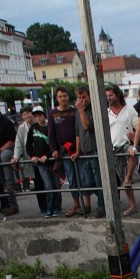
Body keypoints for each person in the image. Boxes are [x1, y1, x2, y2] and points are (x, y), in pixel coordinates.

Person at [48, 86, 83, 218]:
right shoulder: (52, 113)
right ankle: (76, 204)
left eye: (65, 95)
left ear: (68, 97)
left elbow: (79, 130)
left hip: (77, 147)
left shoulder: (74, 111)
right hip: (64, 151)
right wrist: (54, 150)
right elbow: (51, 134)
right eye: (60, 96)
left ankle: (84, 204)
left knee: (82, 177)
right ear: (57, 98)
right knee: (72, 178)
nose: (63, 98)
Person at [105, 84, 138, 216]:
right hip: (113, 148)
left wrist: (134, 135)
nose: (108, 98)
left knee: (132, 151)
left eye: (111, 95)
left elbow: (138, 128)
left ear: (118, 95)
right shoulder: (106, 113)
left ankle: (129, 178)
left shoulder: (130, 110)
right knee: (118, 178)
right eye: (107, 96)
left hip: (127, 143)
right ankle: (130, 204)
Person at [74, 85, 105, 218]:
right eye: (79, 98)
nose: (82, 100)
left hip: (95, 150)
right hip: (85, 152)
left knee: (98, 182)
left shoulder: (94, 111)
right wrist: (77, 151)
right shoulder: (77, 113)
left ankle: (102, 207)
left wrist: (81, 111)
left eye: (84, 97)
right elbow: (78, 133)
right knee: (89, 183)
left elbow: (87, 126)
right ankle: (106, 199)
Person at [27, 107, 62, 218]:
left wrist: (47, 156)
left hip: (51, 160)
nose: (38, 118)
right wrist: (33, 156)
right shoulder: (33, 128)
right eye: (36, 116)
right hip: (41, 163)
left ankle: (57, 207)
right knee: (48, 185)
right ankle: (49, 207)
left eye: (40, 115)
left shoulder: (50, 127)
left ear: (44, 115)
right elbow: (28, 145)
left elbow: (55, 143)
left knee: (55, 184)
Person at [12, 106, 47, 215]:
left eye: (28, 113)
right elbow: (19, 144)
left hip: (44, 158)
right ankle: (43, 207)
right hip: (32, 160)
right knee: (38, 183)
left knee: (49, 182)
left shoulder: (43, 124)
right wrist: (16, 156)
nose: (26, 116)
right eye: (24, 114)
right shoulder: (22, 128)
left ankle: (53, 204)